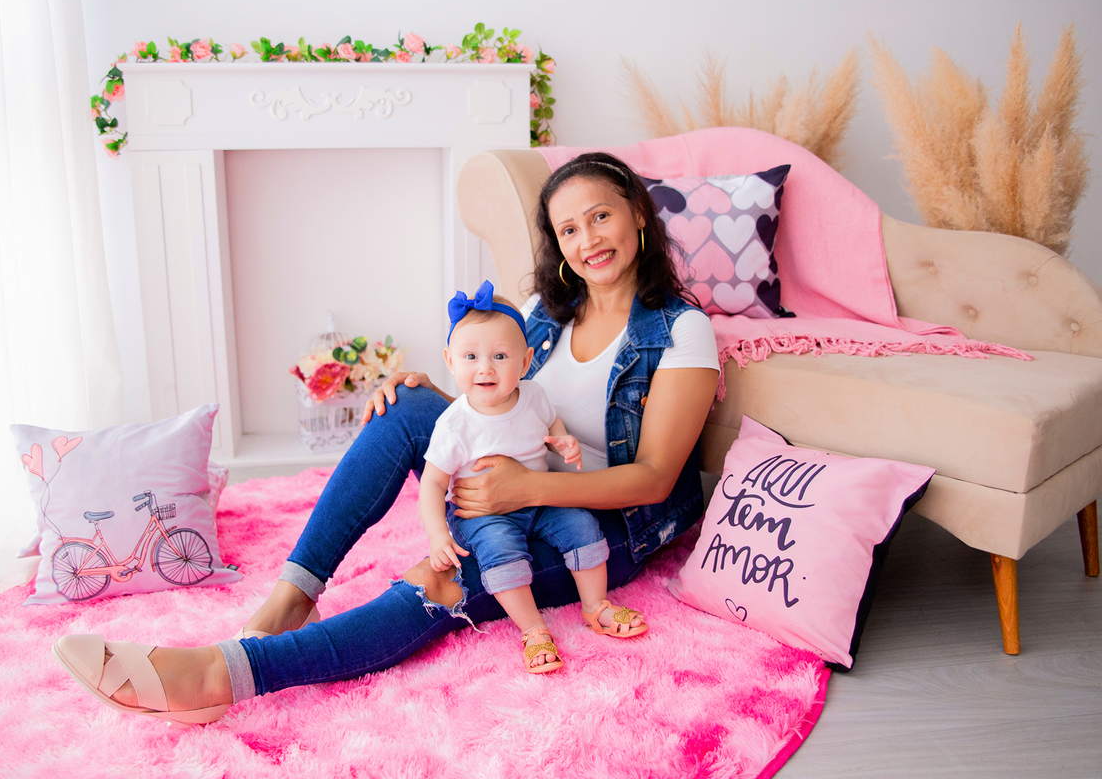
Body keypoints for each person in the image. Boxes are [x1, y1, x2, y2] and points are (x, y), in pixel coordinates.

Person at [52, 152, 721, 725]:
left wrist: (528, 486)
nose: (587, 241)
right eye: (568, 228)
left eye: (601, 216)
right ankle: (292, 597)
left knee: (443, 581)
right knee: (404, 404)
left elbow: (657, 476)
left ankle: (218, 676)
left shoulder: (679, 330)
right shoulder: (544, 313)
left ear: (637, 211)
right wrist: (445, 392)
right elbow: (501, 395)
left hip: (601, 524)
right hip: (515, 476)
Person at [424, 280, 647, 675]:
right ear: (450, 360)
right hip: (483, 515)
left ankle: (596, 605)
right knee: (500, 550)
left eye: (499, 356)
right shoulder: (455, 424)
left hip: (537, 500)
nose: (485, 368)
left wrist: (563, 441)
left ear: (525, 362)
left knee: (582, 524)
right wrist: (438, 535)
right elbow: (433, 484)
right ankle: (533, 629)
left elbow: (551, 423)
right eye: (471, 356)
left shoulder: (533, 395)